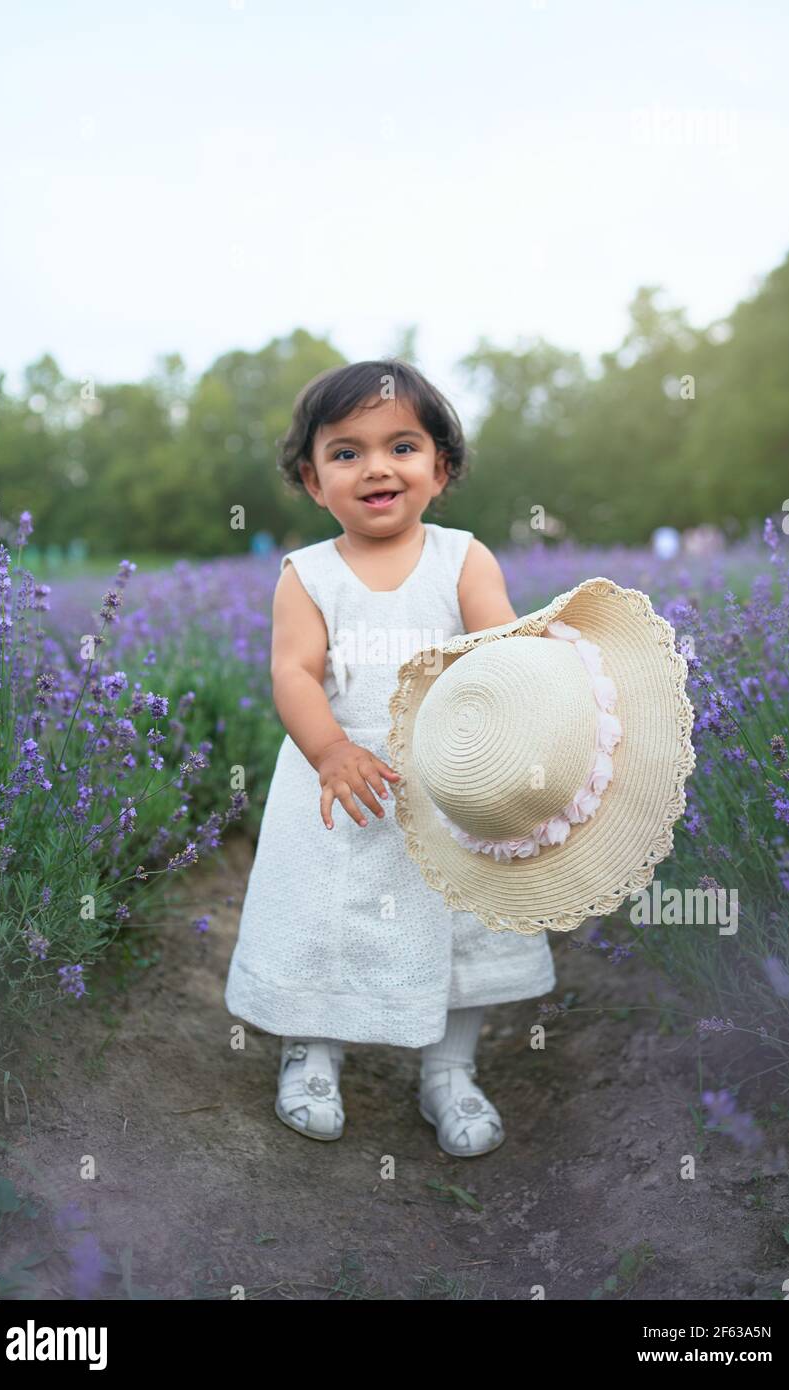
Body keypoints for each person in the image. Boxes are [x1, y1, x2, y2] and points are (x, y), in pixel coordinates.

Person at [224, 359, 556, 1157]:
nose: (375, 466)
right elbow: (294, 673)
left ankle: (449, 1069)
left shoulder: (463, 559)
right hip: (341, 789)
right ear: (312, 480)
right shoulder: (309, 575)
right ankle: (312, 1052)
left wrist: (531, 718)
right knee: (326, 919)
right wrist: (330, 748)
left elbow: (497, 648)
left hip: (450, 777)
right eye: (346, 453)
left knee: (461, 923)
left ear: (439, 469)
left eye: (401, 446)